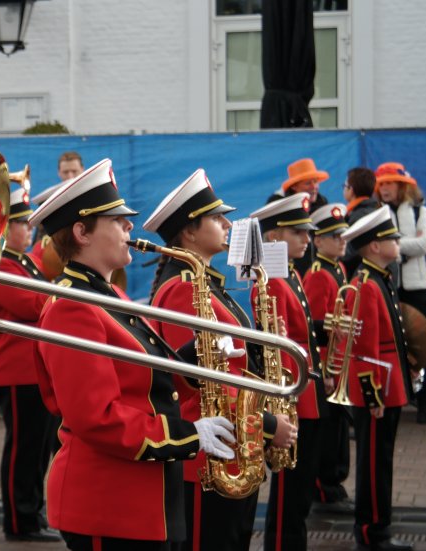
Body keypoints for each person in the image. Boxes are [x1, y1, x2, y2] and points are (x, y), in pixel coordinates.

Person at [30, 158, 237, 551]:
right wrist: (189, 434)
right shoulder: (71, 307)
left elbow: (144, 379)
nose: (130, 227)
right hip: (108, 502)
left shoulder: (112, 297)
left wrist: (198, 354)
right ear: (81, 232)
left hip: (142, 501)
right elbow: (97, 418)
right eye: (118, 220)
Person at [145, 169, 295, 551]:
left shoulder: (206, 284)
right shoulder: (182, 291)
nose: (227, 223)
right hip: (209, 458)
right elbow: (204, 385)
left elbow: (235, 367)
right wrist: (264, 424)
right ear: (189, 232)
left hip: (232, 446)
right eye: (216, 217)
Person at [0, 187, 59, 542]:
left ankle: (33, 511)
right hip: (15, 367)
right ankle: (19, 520)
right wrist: (57, 295)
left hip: (33, 367)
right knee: (23, 448)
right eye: (22, 223)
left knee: (38, 448)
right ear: (4, 228)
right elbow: (32, 305)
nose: (29, 230)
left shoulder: (23, 261)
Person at [250, 193, 328, 551]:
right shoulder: (272, 282)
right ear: (277, 236)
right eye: (300, 232)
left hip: (306, 392)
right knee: (289, 496)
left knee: (300, 493)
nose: (307, 240)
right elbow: (276, 346)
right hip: (294, 395)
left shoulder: (289, 276)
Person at [340, 206, 414, 551]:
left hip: (390, 388)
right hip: (379, 393)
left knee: (382, 463)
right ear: (373, 246)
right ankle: (372, 533)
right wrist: (372, 397)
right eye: (391, 237)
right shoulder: (366, 285)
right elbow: (364, 349)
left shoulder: (378, 279)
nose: (397, 242)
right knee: (373, 467)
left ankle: (379, 527)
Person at [375, 162, 426, 424]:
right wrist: (404, 245)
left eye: (389, 183)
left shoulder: (420, 210)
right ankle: (398, 399)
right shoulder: (378, 211)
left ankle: (425, 404)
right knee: (394, 346)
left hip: (419, 288)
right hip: (391, 289)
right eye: (381, 184)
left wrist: (393, 245)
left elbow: (425, 243)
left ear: (402, 186)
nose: (385, 188)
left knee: (422, 346)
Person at [302, 203, 353, 510]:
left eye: (343, 235)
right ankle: (324, 484)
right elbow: (318, 327)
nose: (341, 241)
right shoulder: (319, 274)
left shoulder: (338, 268)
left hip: (339, 358)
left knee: (337, 429)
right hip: (326, 361)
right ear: (319, 241)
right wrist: (329, 372)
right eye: (334, 236)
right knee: (328, 429)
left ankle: (333, 481)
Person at [267, 158, 330, 275]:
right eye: (308, 183)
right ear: (294, 187)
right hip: (288, 270)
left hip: (317, 272)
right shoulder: (278, 205)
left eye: (315, 182)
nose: (314, 187)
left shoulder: (322, 203)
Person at [342, 167, 381, 277]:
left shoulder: (359, 215)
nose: (343, 190)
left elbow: (350, 252)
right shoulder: (374, 209)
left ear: (351, 189)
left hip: (361, 275)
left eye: (344, 186)